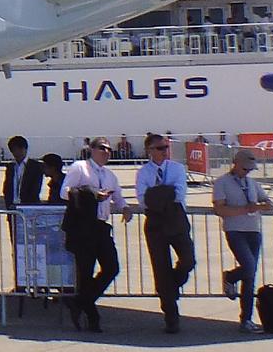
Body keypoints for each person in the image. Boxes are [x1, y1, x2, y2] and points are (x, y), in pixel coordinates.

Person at [60, 138, 132, 332]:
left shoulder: (109, 175)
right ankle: (92, 317)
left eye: (109, 149)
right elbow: (65, 192)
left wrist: (125, 208)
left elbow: (117, 196)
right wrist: (92, 193)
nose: (106, 152)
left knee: (111, 267)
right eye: (102, 149)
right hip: (82, 227)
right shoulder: (80, 168)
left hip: (100, 226)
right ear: (91, 150)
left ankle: (79, 302)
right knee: (85, 273)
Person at [136, 132, 195, 333]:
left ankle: (171, 286)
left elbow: (178, 194)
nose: (165, 151)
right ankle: (171, 316)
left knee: (188, 260)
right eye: (160, 148)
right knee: (161, 269)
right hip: (155, 222)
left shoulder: (177, 169)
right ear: (150, 151)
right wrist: (163, 195)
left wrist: (157, 196)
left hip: (176, 219)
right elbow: (144, 199)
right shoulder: (143, 172)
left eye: (166, 147)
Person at [214, 148, 273, 333]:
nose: (246, 172)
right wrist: (243, 210)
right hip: (235, 230)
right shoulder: (222, 182)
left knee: (250, 276)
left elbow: (269, 204)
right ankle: (230, 277)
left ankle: (246, 319)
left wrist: (259, 206)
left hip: (253, 230)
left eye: (249, 169)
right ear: (236, 163)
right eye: (244, 168)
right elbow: (220, 209)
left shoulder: (253, 184)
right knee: (248, 266)